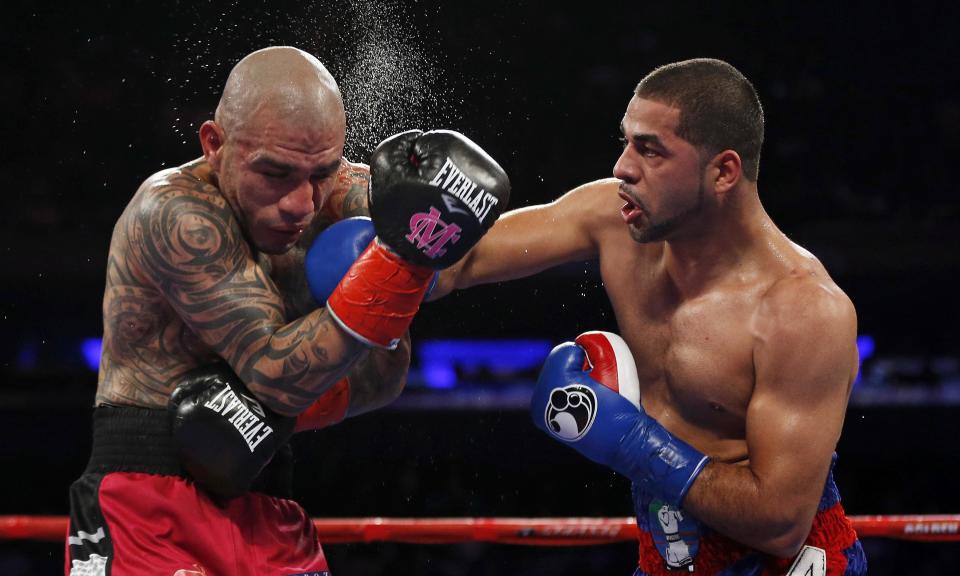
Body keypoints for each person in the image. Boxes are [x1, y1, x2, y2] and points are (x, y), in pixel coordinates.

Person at [66, 46, 509, 575]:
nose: (302, 202)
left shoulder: (335, 192)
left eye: (322, 172)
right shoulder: (176, 213)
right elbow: (275, 377)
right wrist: (397, 264)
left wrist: (600, 215)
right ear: (214, 144)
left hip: (272, 505)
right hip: (148, 503)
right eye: (275, 174)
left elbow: (460, 263)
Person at [434, 58, 866, 574]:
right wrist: (355, 205)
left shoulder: (803, 310)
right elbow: (460, 261)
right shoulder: (613, 217)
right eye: (626, 142)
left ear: (724, 171)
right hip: (665, 557)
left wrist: (629, 440)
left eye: (650, 149)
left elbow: (780, 523)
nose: (623, 167)